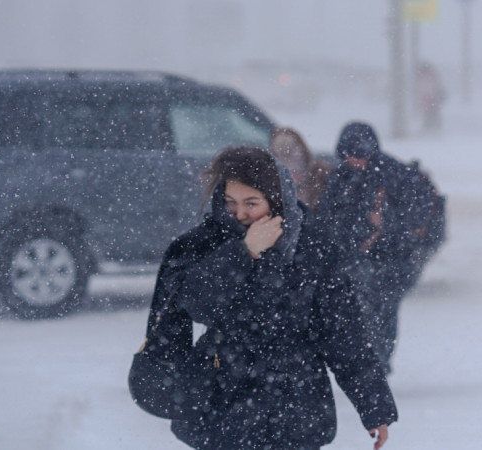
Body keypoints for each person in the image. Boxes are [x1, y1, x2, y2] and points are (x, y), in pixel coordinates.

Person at [155, 146, 397, 449]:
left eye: (251, 203)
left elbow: (344, 336)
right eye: (231, 202)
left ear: (277, 199)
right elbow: (196, 304)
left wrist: (374, 406)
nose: (240, 213)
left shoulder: (314, 248)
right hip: (223, 405)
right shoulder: (211, 240)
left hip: (296, 408)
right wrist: (243, 253)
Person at [318, 122, 433, 374]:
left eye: (359, 155)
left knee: (383, 312)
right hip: (355, 259)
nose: (355, 161)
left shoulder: (394, 174)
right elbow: (328, 216)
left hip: (392, 258)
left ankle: (378, 363)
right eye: (349, 155)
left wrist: (385, 223)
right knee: (359, 314)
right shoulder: (341, 177)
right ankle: (368, 362)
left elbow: (418, 215)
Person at [269, 127, 333, 212]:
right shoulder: (270, 182)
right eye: (282, 156)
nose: (291, 165)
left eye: (293, 154)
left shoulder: (323, 174)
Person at [415, 62, 446, 132]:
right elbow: (435, 86)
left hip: (428, 98)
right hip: (431, 99)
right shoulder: (431, 75)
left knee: (430, 113)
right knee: (432, 113)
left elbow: (423, 88)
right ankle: (434, 126)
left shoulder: (423, 76)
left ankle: (431, 126)